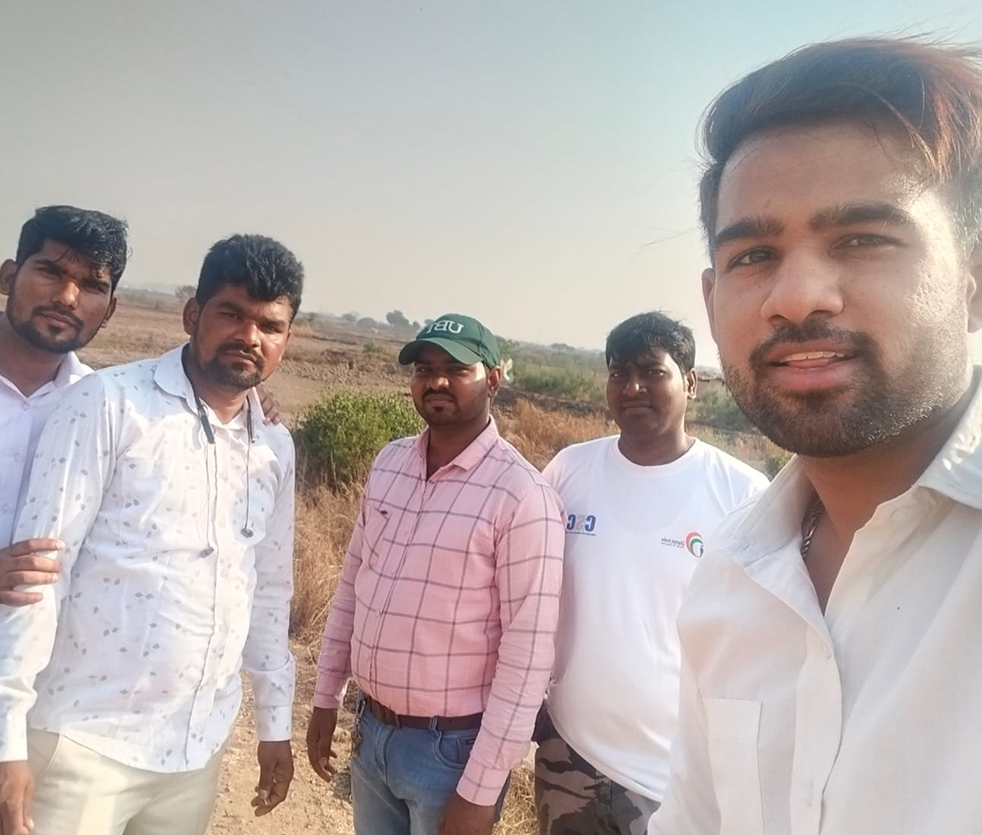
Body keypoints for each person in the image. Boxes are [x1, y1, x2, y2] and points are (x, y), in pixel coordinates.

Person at [649, 37, 982, 835]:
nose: (796, 297)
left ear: (973, 279)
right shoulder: (729, 576)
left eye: (862, 239)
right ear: (712, 299)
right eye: (754, 255)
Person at [0, 234, 304, 835]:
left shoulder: (273, 445)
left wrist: (275, 724)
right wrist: (8, 739)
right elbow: (39, 576)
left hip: (193, 753)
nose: (250, 336)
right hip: (82, 744)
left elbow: (269, 590)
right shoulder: (108, 404)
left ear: (286, 340)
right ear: (193, 314)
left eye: (270, 325)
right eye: (231, 314)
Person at [307, 313, 566, 835]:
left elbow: (527, 654)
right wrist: (325, 696)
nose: (437, 381)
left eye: (456, 368)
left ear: (494, 380)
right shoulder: (390, 464)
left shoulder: (522, 496)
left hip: (451, 754)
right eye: (424, 369)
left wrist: (480, 790)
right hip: (372, 729)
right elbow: (353, 588)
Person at [534, 311, 768, 835]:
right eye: (619, 372)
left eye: (652, 371)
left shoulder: (741, 494)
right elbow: (529, 593)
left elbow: (765, 641)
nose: (632, 387)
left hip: (675, 778)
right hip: (568, 754)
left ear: (691, 382)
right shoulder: (569, 471)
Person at [0, 206, 128, 602]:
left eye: (91, 286)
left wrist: (252, 399)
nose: (67, 298)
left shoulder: (102, 406)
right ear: (8, 277)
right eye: (50, 272)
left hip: (40, 637)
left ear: (109, 311)